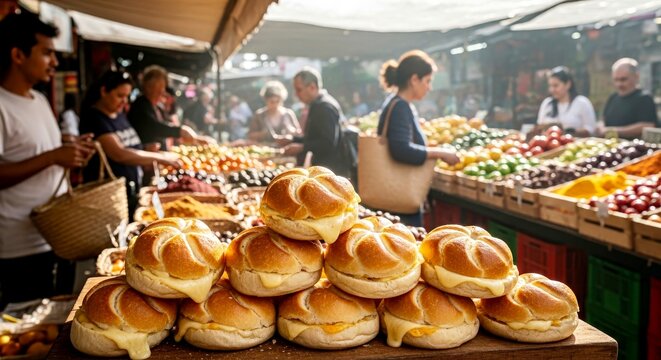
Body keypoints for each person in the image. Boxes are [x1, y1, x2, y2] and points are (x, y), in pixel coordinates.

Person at [0, 12, 95, 307]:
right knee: (29, 335)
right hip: (20, 245)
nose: (54, 62)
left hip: (59, 233)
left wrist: (70, 148)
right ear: (18, 54)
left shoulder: (39, 100)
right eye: (47, 53)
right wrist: (54, 156)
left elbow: (38, 150)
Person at [79, 70, 181, 215]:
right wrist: (160, 158)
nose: (124, 101)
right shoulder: (95, 119)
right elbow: (119, 153)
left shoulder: (119, 114)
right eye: (120, 95)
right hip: (108, 199)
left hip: (129, 191)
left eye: (127, 96)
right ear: (103, 91)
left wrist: (145, 148)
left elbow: (127, 145)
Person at [377, 50, 459, 226]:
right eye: (428, 81)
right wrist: (440, 153)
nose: (429, 87)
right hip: (400, 203)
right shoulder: (400, 107)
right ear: (414, 79)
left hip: (396, 199)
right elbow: (401, 150)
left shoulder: (397, 104)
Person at [280, 67, 349, 177]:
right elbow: (314, 137)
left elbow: (328, 142)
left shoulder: (324, 107)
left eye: (299, 90)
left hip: (332, 170)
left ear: (312, 87)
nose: (296, 94)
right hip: (326, 168)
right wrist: (293, 139)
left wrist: (301, 147)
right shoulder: (317, 104)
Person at [128, 65, 209, 150]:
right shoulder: (140, 105)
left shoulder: (156, 106)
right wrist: (180, 131)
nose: (162, 91)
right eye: (158, 87)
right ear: (148, 87)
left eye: (162, 87)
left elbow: (164, 124)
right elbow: (155, 127)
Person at [597, 58, 658, 139]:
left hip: (635, 149)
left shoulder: (644, 99)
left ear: (636, 76)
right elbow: (603, 119)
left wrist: (613, 131)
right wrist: (601, 127)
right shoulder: (613, 98)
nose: (619, 84)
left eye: (623, 79)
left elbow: (648, 125)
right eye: (616, 80)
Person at [535, 66, 597, 137]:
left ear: (568, 84)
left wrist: (570, 133)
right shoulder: (547, 104)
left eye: (556, 86)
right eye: (550, 86)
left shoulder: (582, 103)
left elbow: (591, 129)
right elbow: (540, 127)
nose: (552, 90)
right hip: (550, 146)